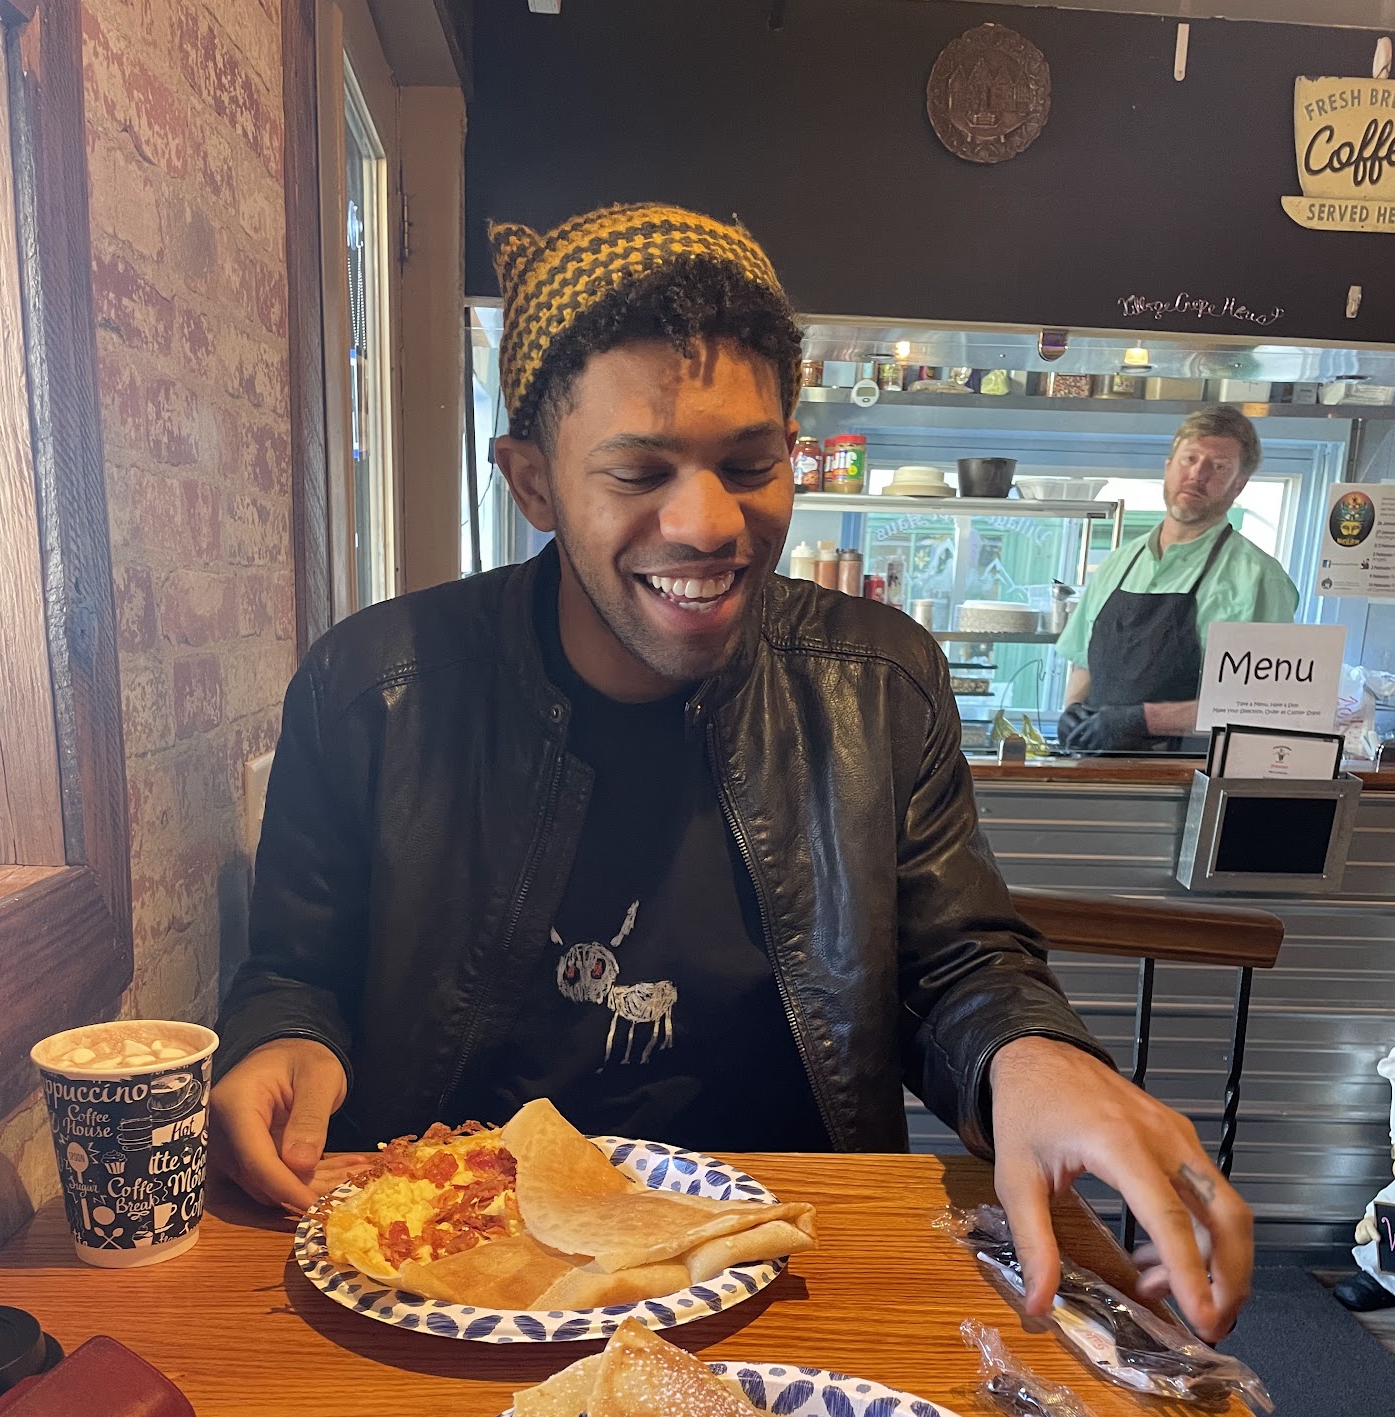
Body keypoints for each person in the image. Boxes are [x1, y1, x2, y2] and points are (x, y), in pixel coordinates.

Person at [212, 202, 1251, 1338]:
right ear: (532, 482)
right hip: (457, 1270)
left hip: (785, 1263)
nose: (710, 524)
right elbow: (295, 972)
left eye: (751, 464)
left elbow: (959, 961)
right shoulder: (370, 690)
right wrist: (286, 1039)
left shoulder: (879, 681)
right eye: (638, 472)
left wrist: (1030, 1051)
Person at [1057, 405, 1298, 753]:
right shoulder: (1118, 563)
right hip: (1095, 768)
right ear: (1168, 467)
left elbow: (1260, 703)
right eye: (1189, 459)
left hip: (1185, 772)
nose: (1197, 475)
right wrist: (1072, 710)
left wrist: (1144, 720)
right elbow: (1084, 661)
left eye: (1219, 466)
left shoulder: (1259, 578)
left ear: (1238, 486)